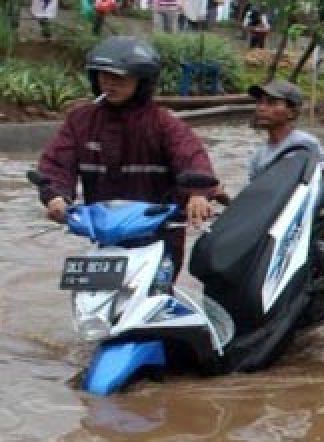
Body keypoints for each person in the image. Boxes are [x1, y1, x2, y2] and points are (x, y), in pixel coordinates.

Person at [36, 36, 215, 272]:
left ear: (142, 81)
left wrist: (198, 194)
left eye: (120, 78)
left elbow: (191, 157)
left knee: (153, 298)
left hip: (158, 235)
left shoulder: (163, 123)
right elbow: (57, 164)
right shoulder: (80, 121)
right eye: (103, 76)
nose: (110, 84)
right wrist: (56, 197)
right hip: (104, 234)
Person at [246, 79, 324, 185]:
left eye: (271, 103)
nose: (261, 108)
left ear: (291, 112)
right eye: (259, 102)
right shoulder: (258, 156)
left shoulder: (306, 143)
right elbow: (255, 195)